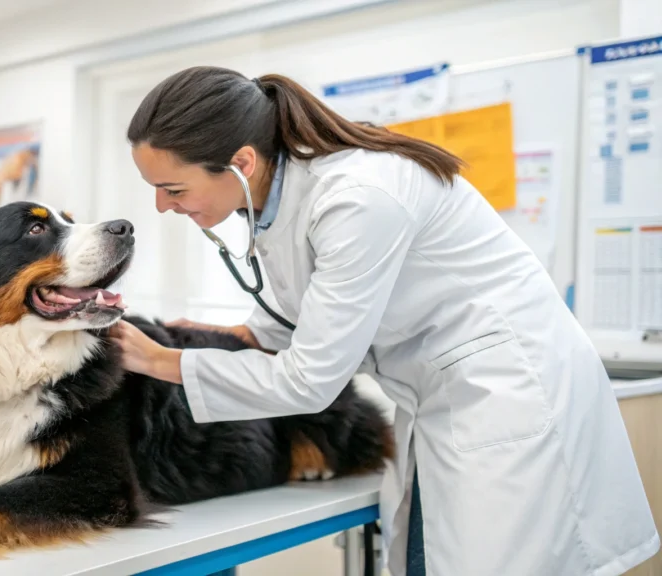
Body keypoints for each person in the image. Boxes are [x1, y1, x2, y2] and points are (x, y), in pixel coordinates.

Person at [109, 66, 659, 576]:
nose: (161, 206)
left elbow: (310, 379)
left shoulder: (357, 198)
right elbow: (291, 318)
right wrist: (214, 336)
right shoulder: (285, 201)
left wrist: (165, 360)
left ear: (242, 163)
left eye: (174, 189)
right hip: (447, 401)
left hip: (509, 398)